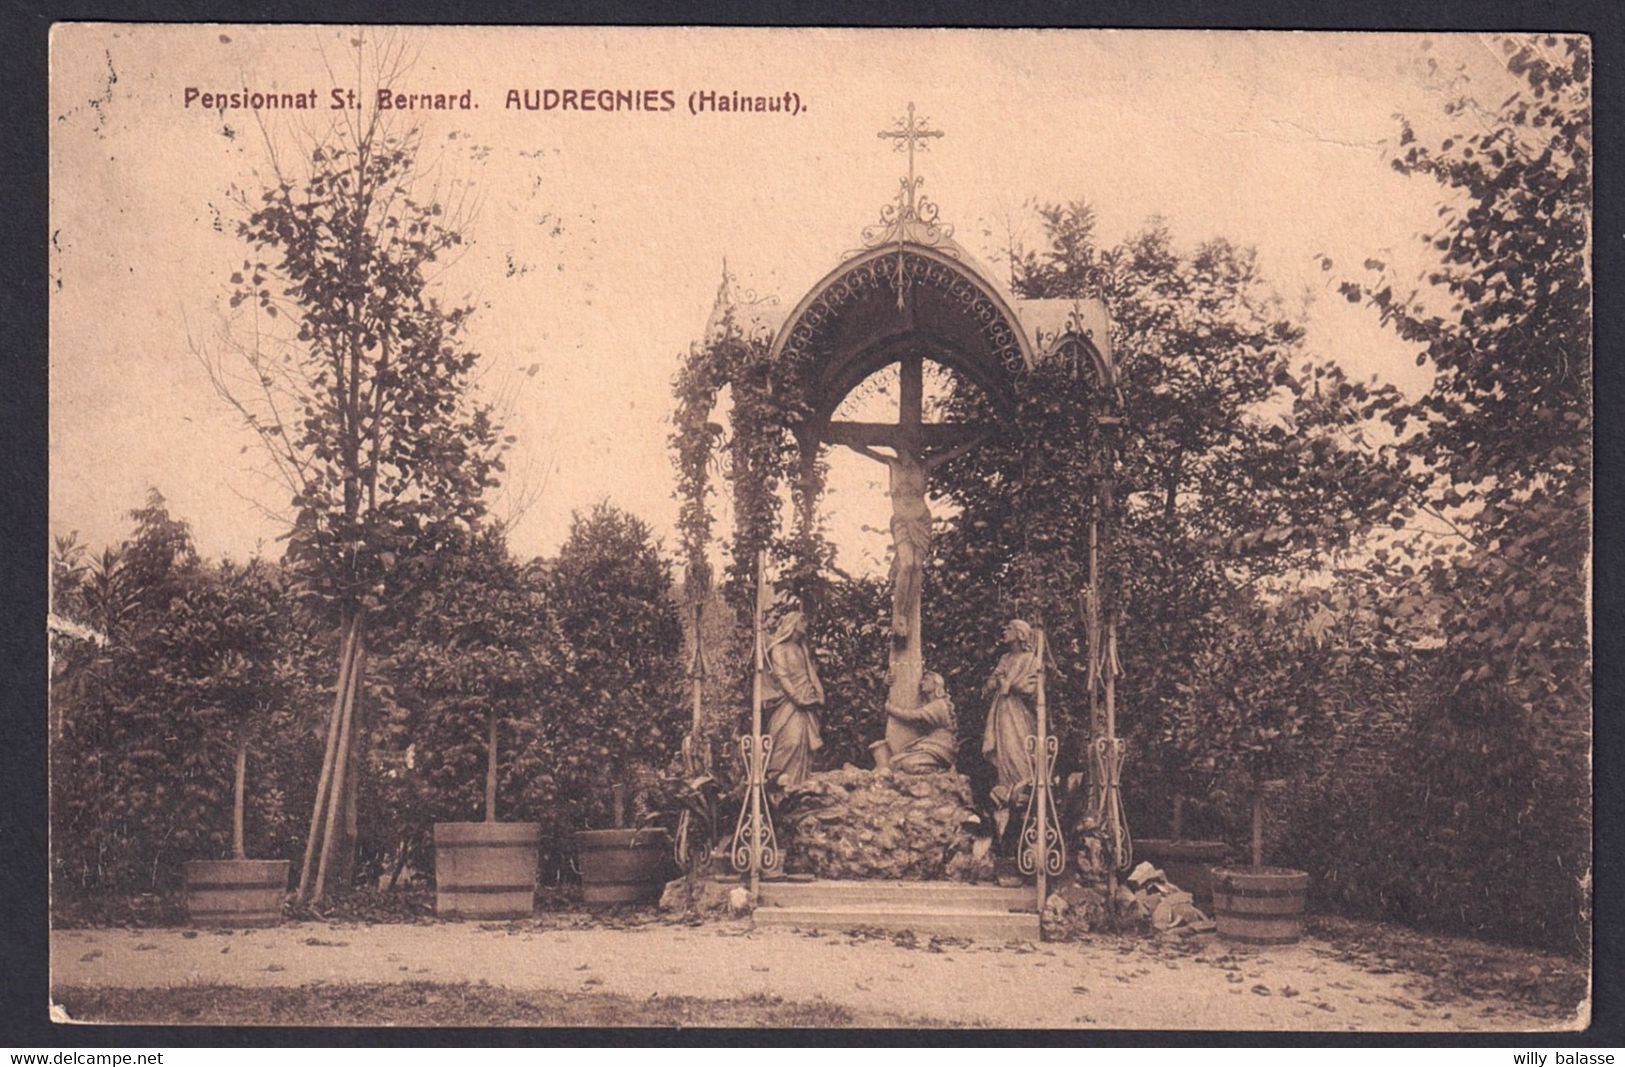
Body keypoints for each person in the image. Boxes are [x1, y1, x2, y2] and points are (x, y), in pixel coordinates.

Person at [982, 619, 1041, 832]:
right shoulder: (1005, 658)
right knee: (1004, 751)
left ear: (1020, 634)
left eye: (1008, 628)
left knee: (1019, 750)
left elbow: (1032, 687)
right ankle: (1005, 794)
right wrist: (996, 683)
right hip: (1002, 712)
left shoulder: (1031, 659)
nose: (1004, 631)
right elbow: (990, 683)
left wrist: (1009, 684)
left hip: (1019, 714)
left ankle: (1023, 796)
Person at [761, 610, 825, 790]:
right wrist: (798, 699)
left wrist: (819, 694)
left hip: (807, 700)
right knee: (791, 741)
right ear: (794, 625)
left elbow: (810, 673)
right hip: (789, 703)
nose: (806, 626)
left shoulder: (801, 649)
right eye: (803, 622)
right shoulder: (778, 649)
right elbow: (783, 677)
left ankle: (799, 781)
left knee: (804, 743)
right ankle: (778, 780)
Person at [874, 670, 958, 774]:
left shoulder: (939, 705)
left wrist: (890, 708)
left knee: (907, 764)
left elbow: (912, 716)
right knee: (895, 761)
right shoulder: (928, 702)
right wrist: (887, 685)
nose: (921, 682)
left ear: (936, 684)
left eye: (926, 680)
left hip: (941, 747)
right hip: (931, 743)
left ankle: (938, 774)